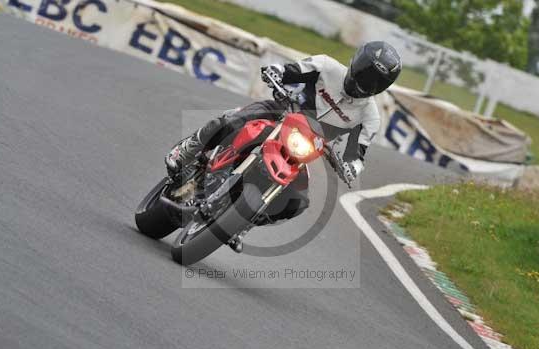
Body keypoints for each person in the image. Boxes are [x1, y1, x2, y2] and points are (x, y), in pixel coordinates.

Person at [166, 41, 401, 248]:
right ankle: (187, 150)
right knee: (231, 121)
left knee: (297, 202)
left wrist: (351, 168)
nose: (364, 82)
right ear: (356, 61)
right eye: (364, 72)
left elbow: (358, 155)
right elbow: (290, 70)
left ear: (382, 87)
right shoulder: (326, 66)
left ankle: (241, 224)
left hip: (305, 146)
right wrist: (276, 73)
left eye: (374, 81)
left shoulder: (370, 117)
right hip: (282, 111)